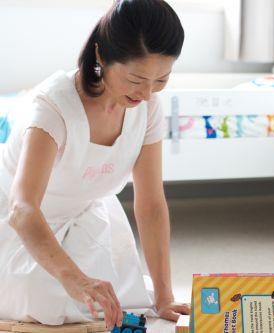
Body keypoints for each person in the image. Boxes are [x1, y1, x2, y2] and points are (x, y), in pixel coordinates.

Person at [0, 0, 189, 329]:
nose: (146, 94)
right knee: (49, 302)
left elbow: (151, 203)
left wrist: (164, 295)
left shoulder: (148, 108)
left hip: (86, 213)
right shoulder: (53, 108)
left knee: (116, 299)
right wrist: (76, 279)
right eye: (135, 79)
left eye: (161, 80)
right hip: (22, 223)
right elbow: (23, 209)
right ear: (101, 57)